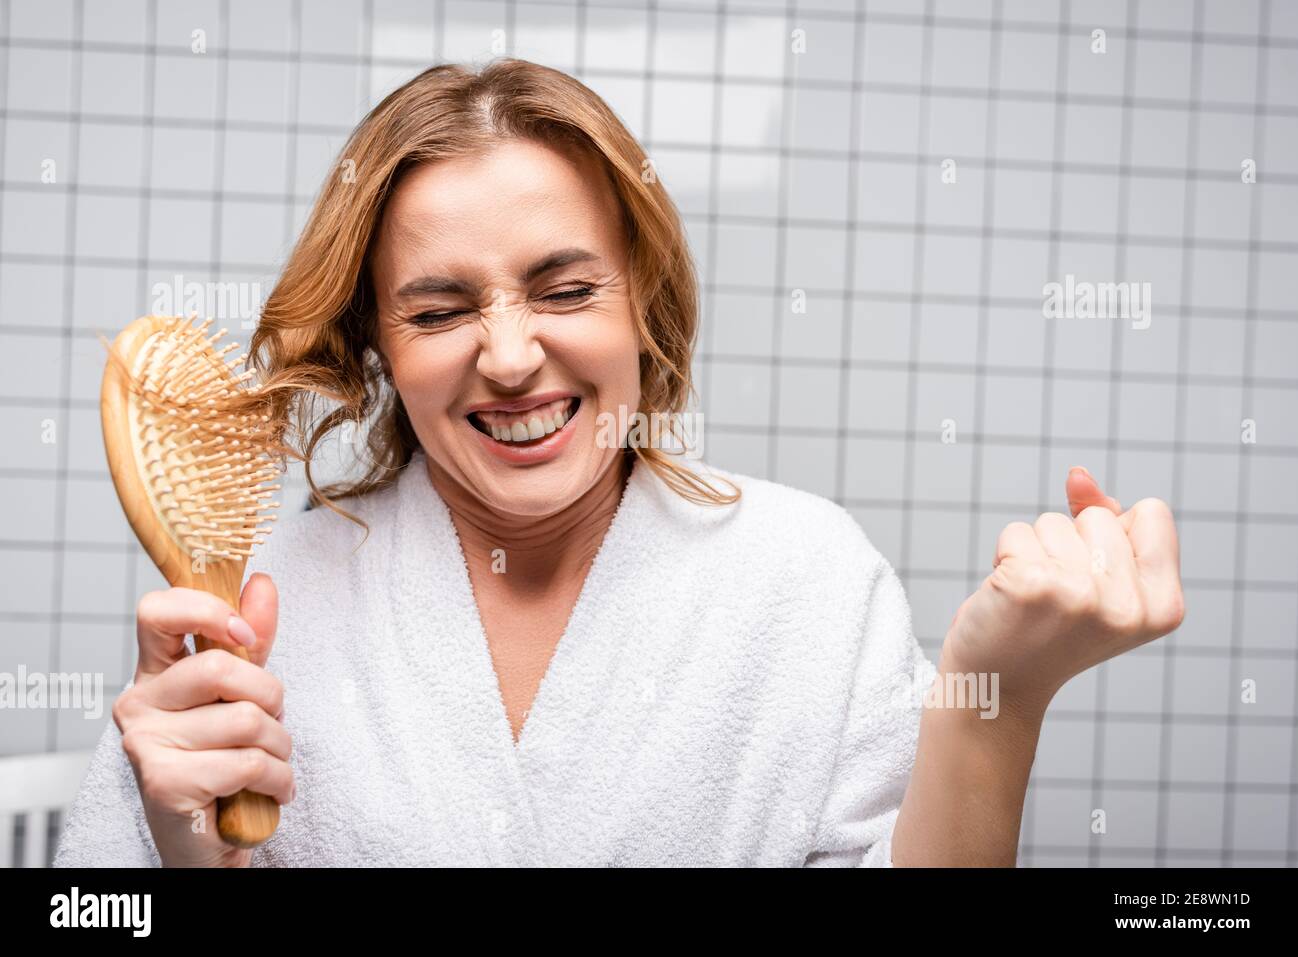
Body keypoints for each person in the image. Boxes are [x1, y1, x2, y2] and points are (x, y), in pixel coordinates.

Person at [55, 59, 1183, 867]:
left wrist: (995, 704)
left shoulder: (809, 580)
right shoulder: (253, 609)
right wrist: (183, 853)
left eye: (565, 289)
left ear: (644, 300)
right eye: (440, 308)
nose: (509, 355)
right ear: (379, 347)